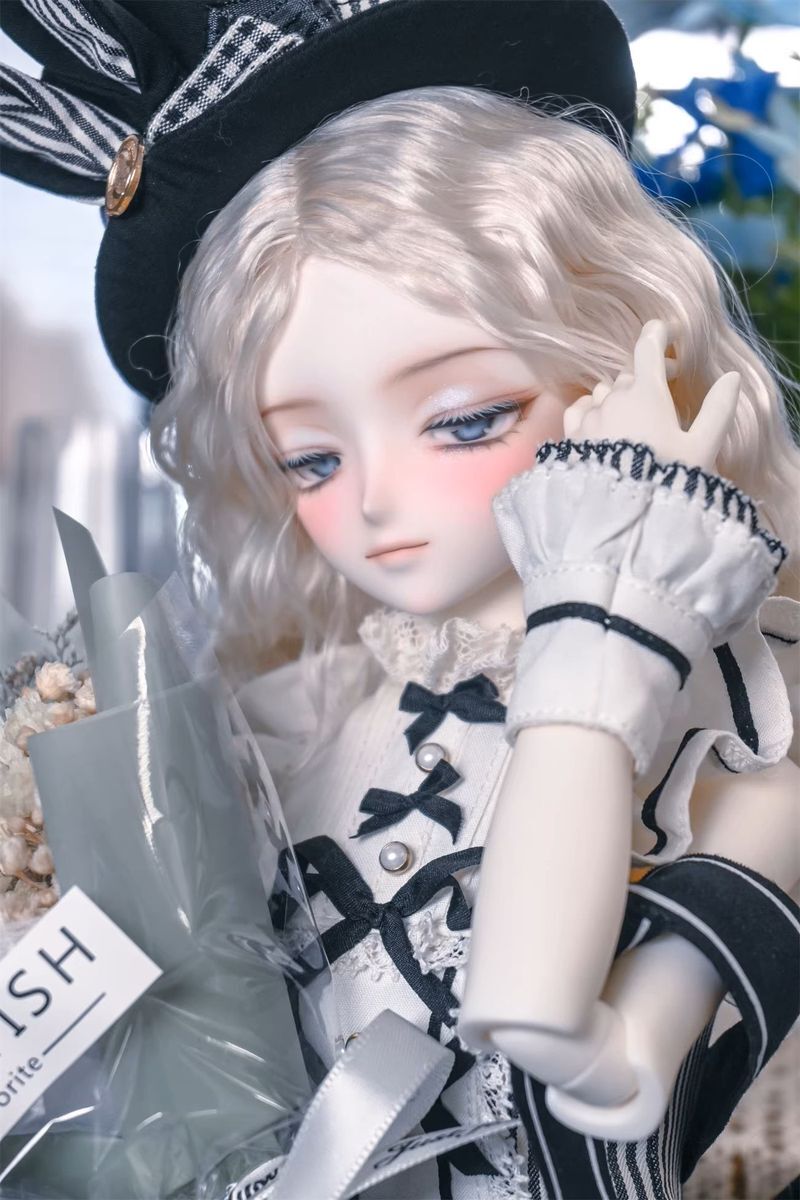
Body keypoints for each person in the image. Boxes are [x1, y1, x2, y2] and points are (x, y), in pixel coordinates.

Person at [1, 2, 797, 1195]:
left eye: (464, 421)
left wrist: (608, 605)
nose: (377, 501)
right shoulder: (282, 724)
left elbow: (560, 1045)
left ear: (617, 369)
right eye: (308, 460)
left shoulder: (734, 750)